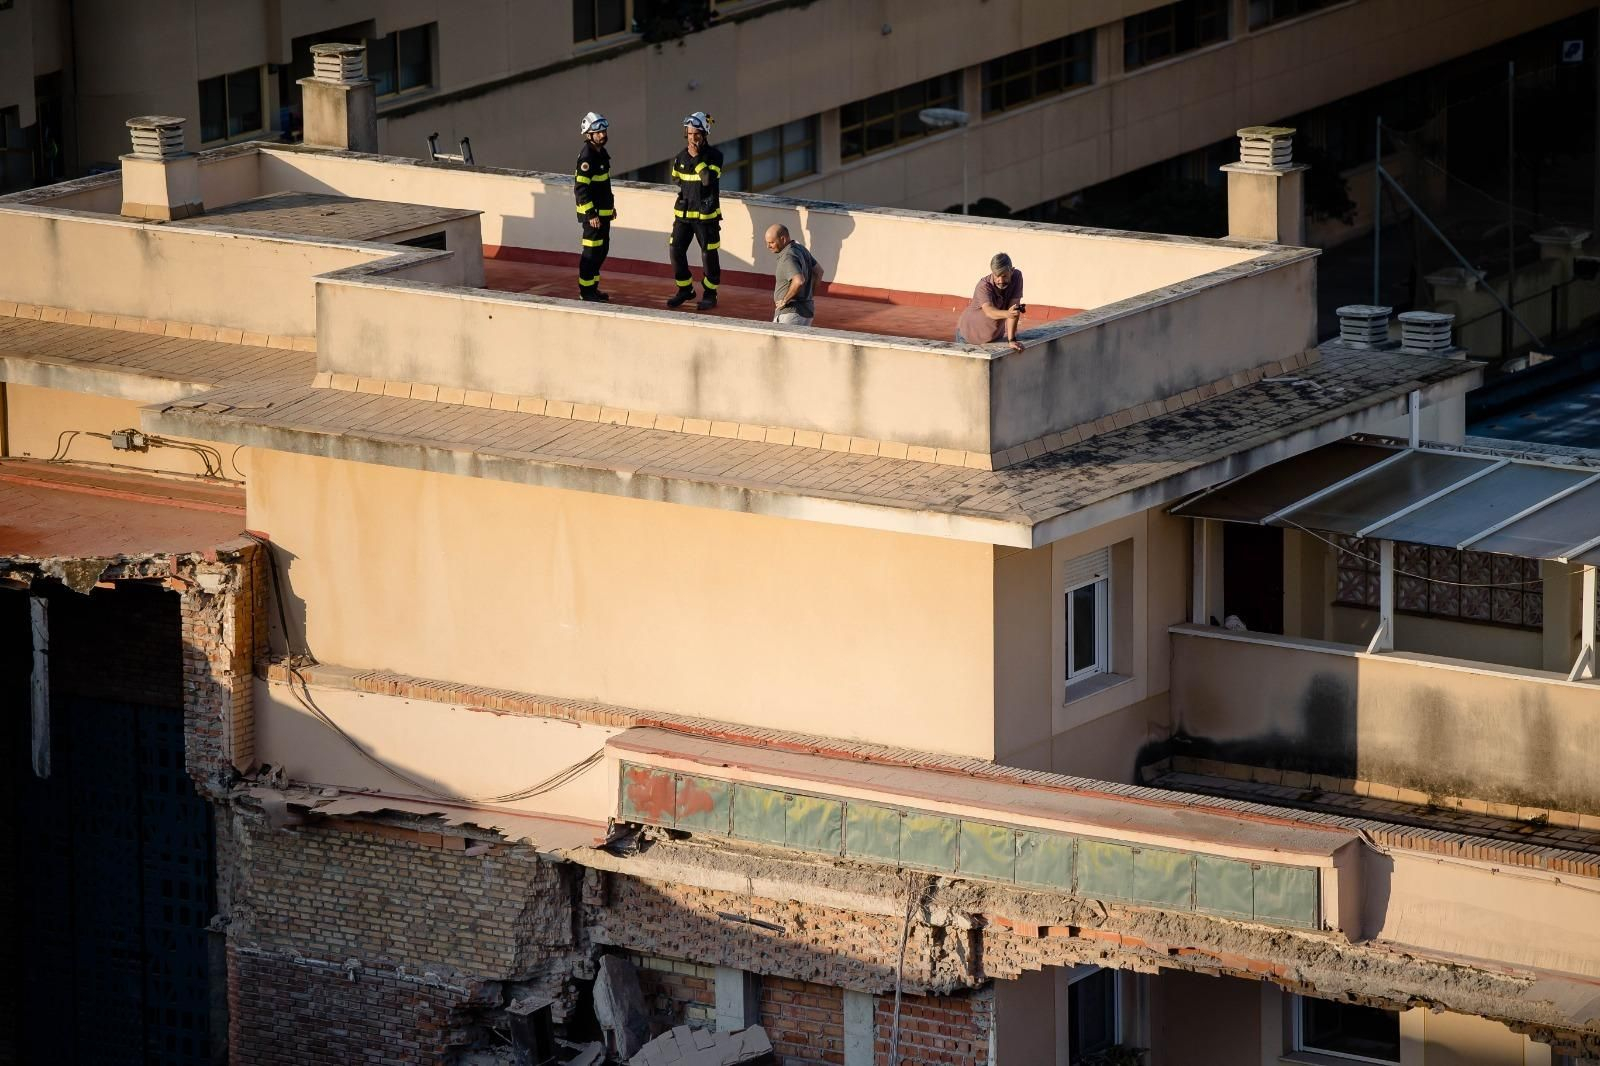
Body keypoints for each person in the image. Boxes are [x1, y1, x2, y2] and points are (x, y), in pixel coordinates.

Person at [666, 112, 723, 310]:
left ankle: (710, 293)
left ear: (704, 134)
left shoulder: (715, 156)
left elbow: (708, 181)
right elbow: (676, 178)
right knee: (675, 250)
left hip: (706, 217)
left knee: (708, 254)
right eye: (689, 134)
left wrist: (697, 159)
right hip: (683, 215)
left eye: (696, 134)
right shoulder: (680, 156)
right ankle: (685, 290)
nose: (692, 138)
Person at [574, 111, 616, 302]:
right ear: (588, 135)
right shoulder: (587, 157)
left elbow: (603, 185)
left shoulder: (601, 154)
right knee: (590, 253)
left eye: (604, 131)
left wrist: (611, 207)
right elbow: (581, 188)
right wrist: (591, 213)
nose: (602, 135)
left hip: (604, 213)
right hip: (593, 217)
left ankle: (593, 287)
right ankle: (586, 291)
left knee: (601, 250)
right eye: (598, 132)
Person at [956, 253, 1025, 352]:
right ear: (992, 273)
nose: (1000, 280)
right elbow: (989, 311)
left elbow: (1013, 308)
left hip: (993, 338)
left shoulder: (1017, 277)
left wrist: (1012, 340)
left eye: (1004, 276)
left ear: (1012, 271)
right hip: (967, 337)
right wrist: (1008, 313)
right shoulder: (983, 286)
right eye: (997, 276)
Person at [764, 224, 823, 327]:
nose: (768, 246)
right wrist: (809, 296)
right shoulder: (800, 249)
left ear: (783, 239)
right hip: (806, 312)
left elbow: (799, 280)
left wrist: (784, 300)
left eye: (772, 242)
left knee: (779, 343)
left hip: (790, 314)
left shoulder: (788, 256)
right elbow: (819, 271)